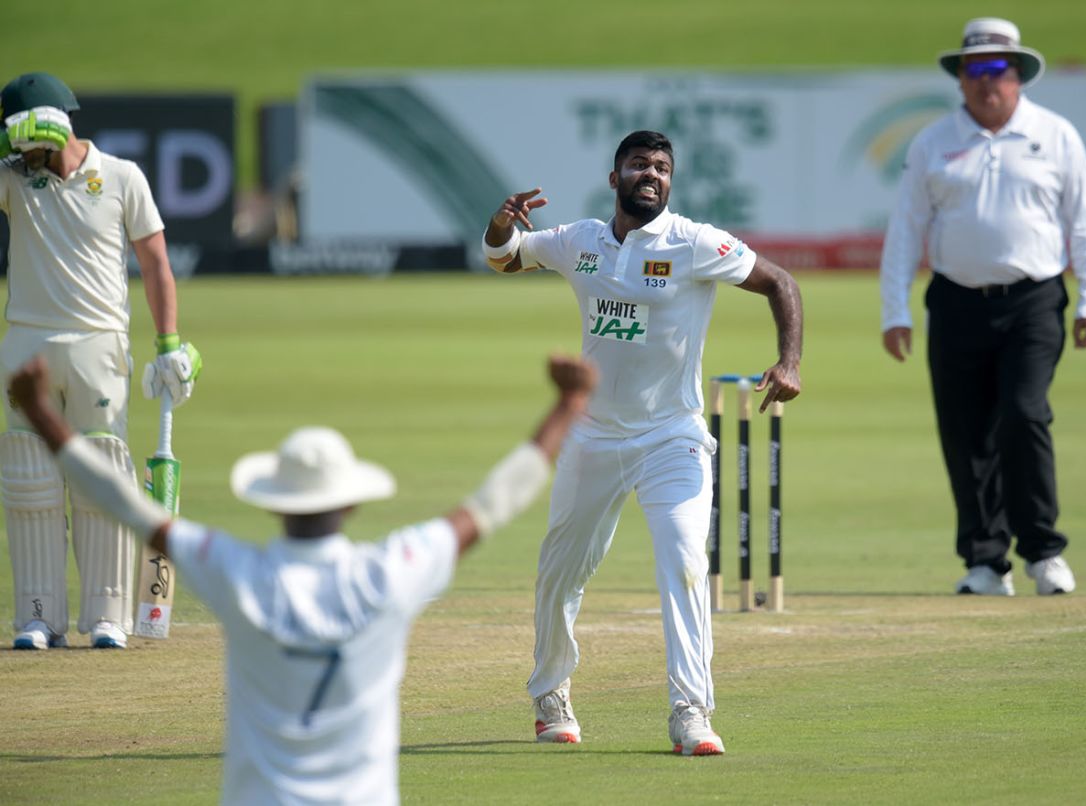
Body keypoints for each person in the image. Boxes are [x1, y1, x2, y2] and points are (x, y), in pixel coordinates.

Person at [7, 351, 597, 805]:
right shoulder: (390, 572)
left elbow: (129, 506)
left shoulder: (235, 571)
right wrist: (569, 405)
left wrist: (41, 416)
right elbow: (490, 506)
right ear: (351, 505)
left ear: (274, 504)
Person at [482, 130, 804, 755]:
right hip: (593, 436)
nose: (650, 175)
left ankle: (691, 712)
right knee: (560, 571)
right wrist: (500, 224)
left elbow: (781, 283)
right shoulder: (579, 241)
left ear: (670, 181)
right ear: (615, 179)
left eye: (661, 167)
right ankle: (551, 693)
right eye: (638, 165)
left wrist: (788, 362)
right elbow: (503, 257)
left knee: (685, 560)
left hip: (671, 435)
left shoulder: (694, 241)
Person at [879, 18, 1086, 597]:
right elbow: (906, 230)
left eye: (997, 71)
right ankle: (985, 561)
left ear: (1018, 77)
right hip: (955, 299)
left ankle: (1043, 552)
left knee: (1023, 413)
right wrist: (895, 312)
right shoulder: (933, 141)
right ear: (960, 78)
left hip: (1033, 298)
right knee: (964, 431)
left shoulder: (1056, 135)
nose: (986, 83)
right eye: (974, 70)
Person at [0, 71, 202, 649]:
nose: (25, 153)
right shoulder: (13, 179)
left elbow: (156, 263)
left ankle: (107, 615)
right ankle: (37, 615)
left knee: (101, 478)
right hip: (26, 344)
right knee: (29, 481)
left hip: (99, 345)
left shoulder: (120, 177)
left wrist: (169, 345)